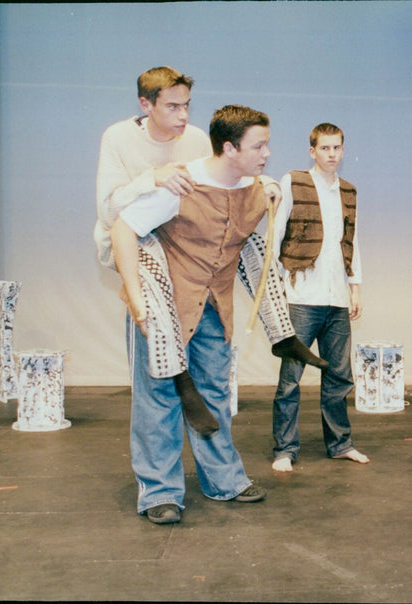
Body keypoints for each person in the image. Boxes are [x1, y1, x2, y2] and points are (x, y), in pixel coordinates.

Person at [94, 66, 326, 436]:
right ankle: (181, 381)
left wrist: (257, 182)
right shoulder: (118, 138)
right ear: (145, 104)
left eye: (186, 105)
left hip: (190, 239)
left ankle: (282, 334)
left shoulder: (196, 137)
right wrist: (151, 179)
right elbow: (110, 214)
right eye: (172, 107)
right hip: (138, 239)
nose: (183, 115)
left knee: (249, 242)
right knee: (156, 276)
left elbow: (220, 176)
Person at [108, 104, 277, 524]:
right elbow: (122, 229)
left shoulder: (255, 187)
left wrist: (269, 188)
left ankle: (224, 480)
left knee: (215, 395)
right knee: (158, 399)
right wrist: (136, 297)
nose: (266, 153)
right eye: (258, 146)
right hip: (164, 308)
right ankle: (159, 493)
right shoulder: (180, 185)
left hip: (213, 309)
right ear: (229, 148)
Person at [269, 123, 370, 473]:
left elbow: (351, 241)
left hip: (337, 298)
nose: (332, 154)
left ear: (343, 150)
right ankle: (284, 448)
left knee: (340, 376)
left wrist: (355, 287)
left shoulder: (349, 191)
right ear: (312, 151)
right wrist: (277, 287)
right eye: (325, 148)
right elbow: (277, 232)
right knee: (290, 377)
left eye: (337, 148)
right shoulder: (293, 181)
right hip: (301, 295)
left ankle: (340, 444)